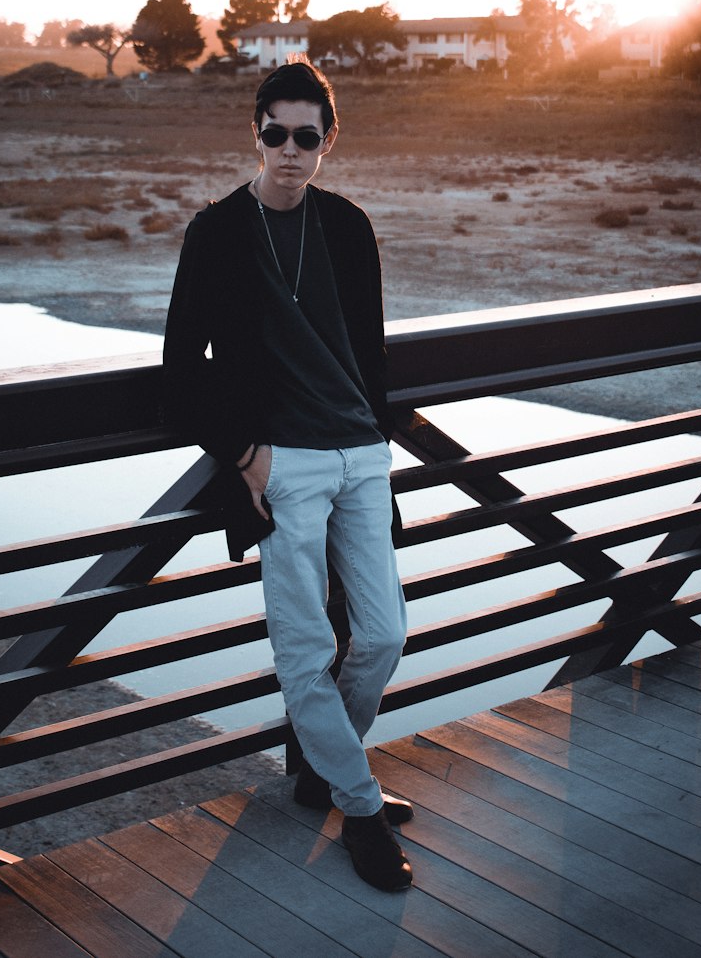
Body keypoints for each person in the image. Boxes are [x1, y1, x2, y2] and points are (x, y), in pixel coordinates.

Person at [163, 56, 414, 892]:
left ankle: (325, 772)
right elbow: (177, 369)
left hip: (361, 456)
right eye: (275, 134)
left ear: (328, 141)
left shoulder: (348, 226)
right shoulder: (217, 231)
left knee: (381, 637)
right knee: (306, 651)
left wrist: (378, 448)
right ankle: (363, 812)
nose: (290, 151)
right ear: (256, 134)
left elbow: (368, 357)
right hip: (284, 467)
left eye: (308, 137)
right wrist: (242, 453)